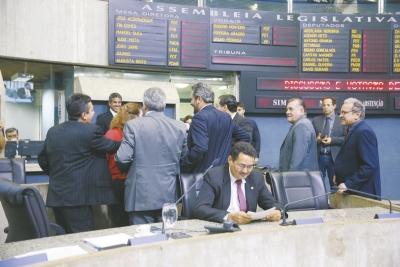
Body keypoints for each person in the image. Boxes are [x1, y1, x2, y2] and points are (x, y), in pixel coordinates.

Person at [38, 93, 120, 233]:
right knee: (82, 239)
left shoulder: (53, 131)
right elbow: (112, 146)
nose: (94, 113)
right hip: (78, 199)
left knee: (65, 240)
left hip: (57, 196)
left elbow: (43, 159)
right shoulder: (91, 131)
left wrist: (57, 175)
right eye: (92, 110)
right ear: (83, 115)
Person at [115, 87, 187, 225]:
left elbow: (122, 157)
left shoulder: (133, 126)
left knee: (142, 239)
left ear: (145, 105)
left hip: (141, 192)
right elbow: (184, 157)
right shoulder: (179, 127)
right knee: (167, 236)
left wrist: (130, 171)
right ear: (164, 105)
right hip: (169, 192)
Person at [195, 142, 283, 224]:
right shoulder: (214, 176)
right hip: (222, 228)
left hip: (247, 228)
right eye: (241, 165)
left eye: (250, 166)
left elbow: (271, 203)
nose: (245, 171)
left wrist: (278, 211)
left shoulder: (256, 177)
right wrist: (229, 216)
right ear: (230, 160)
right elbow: (201, 209)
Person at [181, 82, 250, 174]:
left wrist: (184, 165)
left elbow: (200, 148)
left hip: (202, 175)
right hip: (223, 173)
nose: (191, 103)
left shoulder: (199, 117)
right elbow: (245, 137)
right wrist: (228, 154)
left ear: (199, 99)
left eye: (191, 99)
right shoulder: (226, 117)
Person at [334, 98, 381, 199]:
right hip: (354, 191)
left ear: (357, 114)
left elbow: (369, 165)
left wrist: (349, 185)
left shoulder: (363, 132)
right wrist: (339, 174)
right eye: (340, 112)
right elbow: (351, 159)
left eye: (344, 112)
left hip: (363, 193)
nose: (340, 116)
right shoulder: (352, 130)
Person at [105, 103, 142, 227]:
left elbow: (105, 159)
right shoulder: (136, 134)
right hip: (132, 181)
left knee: (117, 220)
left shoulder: (110, 133)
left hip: (114, 182)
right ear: (136, 117)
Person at [312, 97, 346, 190]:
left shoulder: (342, 120)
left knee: (335, 185)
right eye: (324, 105)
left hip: (334, 158)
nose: (326, 107)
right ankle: (319, 204)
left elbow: (346, 139)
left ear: (334, 106)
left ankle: (335, 204)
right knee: (317, 185)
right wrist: (317, 140)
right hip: (319, 157)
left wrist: (332, 140)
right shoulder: (316, 120)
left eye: (328, 105)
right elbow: (310, 139)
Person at [279, 98, 318, 172]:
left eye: (291, 109)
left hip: (299, 179)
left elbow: (298, 158)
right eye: (287, 109)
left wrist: (289, 177)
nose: (287, 112)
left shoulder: (301, 126)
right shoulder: (301, 124)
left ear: (301, 111)